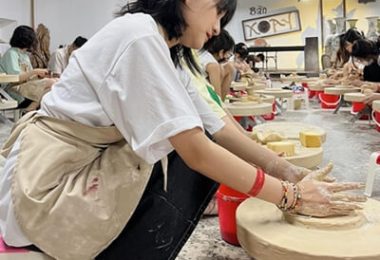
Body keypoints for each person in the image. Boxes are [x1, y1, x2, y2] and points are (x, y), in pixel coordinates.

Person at [0, 1, 364, 260]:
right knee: (186, 154)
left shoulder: (164, 49)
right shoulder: (137, 35)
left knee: (197, 145)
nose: (219, 28)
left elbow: (217, 123)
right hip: (44, 185)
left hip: (78, 171)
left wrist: (284, 170)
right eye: (219, 11)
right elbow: (196, 148)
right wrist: (291, 197)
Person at [0, 25, 56, 111]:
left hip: (25, 85)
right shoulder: (11, 53)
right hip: (12, 89)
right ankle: (28, 110)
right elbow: (16, 78)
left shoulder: (25, 55)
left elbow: (30, 77)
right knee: (51, 82)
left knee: (56, 82)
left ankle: (29, 110)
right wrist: (35, 71)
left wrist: (40, 75)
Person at [198, 29, 235, 100]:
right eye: (228, 54)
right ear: (221, 52)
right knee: (229, 67)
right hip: (200, 101)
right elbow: (217, 99)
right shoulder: (213, 65)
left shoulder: (202, 54)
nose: (228, 58)